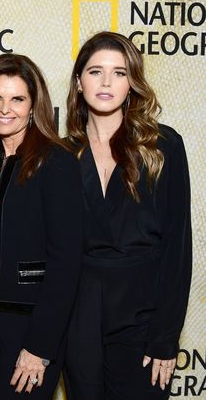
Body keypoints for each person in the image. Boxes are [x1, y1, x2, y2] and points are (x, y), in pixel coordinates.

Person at [63, 31, 192, 400]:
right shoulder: (60, 153)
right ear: (78, 81)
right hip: (78, 320)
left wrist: (166, 336)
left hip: (144, 318)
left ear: (132, 82)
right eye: (95, 71)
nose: (106, 82)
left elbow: (177, 249)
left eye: (119, 73)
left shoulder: (163, 146)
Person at [0, 54, 83, 400]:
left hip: (31, 325)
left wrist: (40, 346)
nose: (4, 109)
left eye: (17, 99)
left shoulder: (56, 162)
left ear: (33, 106)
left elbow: (66, 263)